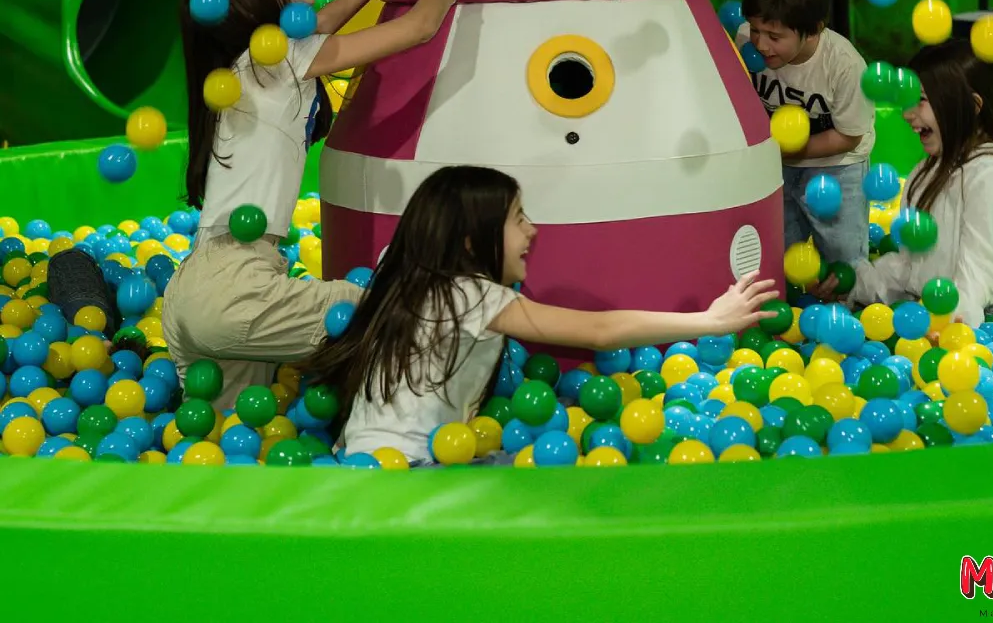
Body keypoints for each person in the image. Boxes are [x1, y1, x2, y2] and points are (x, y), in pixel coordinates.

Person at [162, 0, 496, 406]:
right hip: (236, 290)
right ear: (261, 12)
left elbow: (318, 23)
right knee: (411, 318)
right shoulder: (276, 63)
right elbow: (420, 28)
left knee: (223, 447)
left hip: (192, 293)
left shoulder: (248, 70)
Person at [306, 165, 778, 464]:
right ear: (472, 242)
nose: (532, 230)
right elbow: (598, 330)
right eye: (518, 218)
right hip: (407, 470)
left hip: (358, 456)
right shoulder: (468, 295)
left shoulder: (410, 274)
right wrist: (710, 322)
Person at [833, 41, 993, 329]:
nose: (907, 114)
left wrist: (950, 323)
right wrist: (854, 283)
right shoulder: (927, 171)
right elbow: (910, 267)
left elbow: (977, 272)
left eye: (920, 100)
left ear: (972, 106)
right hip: (934, 309)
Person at [737, 0, 873, 264]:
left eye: (774, 37)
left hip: (837, 166)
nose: (760, 44)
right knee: (778, 245)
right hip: (777, 165)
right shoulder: (745, 42)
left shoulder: (844, 66)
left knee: (843, 253)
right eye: (755, 29)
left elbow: (849, 136)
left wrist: (786, 152)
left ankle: (847, 298)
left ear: (812, 31)